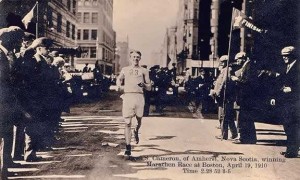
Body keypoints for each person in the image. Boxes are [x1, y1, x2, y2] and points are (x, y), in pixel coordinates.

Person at [0, 26, 25, 179]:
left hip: (6, 103)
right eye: (16, 40)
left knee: (7, 136)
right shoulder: (0, 55)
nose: (19, 43)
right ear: (6, 40)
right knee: (4, 137)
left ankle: (5, 168)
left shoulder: (6, 54)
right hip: (2, 104)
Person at [116, 50, 151, 157]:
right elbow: (119, 79)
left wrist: (144, 85)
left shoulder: (144, 71)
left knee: (139, 119)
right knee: (127, 123)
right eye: (134, 57)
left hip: (139, 97)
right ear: (130, 58)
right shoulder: (125, 69)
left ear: (140, 58)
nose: (135, 59)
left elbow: (149, 87)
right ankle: (128, 147)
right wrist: (118, 85)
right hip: (128, 96)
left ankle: (136, 130)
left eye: (138, 57)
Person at [275, 46, 299, 158]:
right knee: (287, 125)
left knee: (292, 126)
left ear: (292, 55)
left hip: (296, 102)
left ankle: (292, 150)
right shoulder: (286, 67)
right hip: (286, 102)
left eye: (287, 55)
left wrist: (292, 89)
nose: (284, 57)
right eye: (283, 55)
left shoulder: (298, 67)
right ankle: (290, 148)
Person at [231, 52, 257, 144]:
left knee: (244, 118)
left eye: (238, 59)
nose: (237, 61)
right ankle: (249, 138)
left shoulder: (249, 66)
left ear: (243, 58)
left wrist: (236, 79)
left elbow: (248, 81)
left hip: (246, 97)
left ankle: (244, 138)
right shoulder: (246, 65)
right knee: (246, 118)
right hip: (245, 96)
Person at [210, 55, 238, 140]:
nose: (221, 63)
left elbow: (224, 83)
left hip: (224, 96)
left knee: (222, 116)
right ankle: (234, 133)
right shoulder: (224, 70)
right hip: (223, 96)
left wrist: (218, 92)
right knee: (228, 116)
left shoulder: (227, 70)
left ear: (226, 62)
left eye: (222, 62)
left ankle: (224, 135)